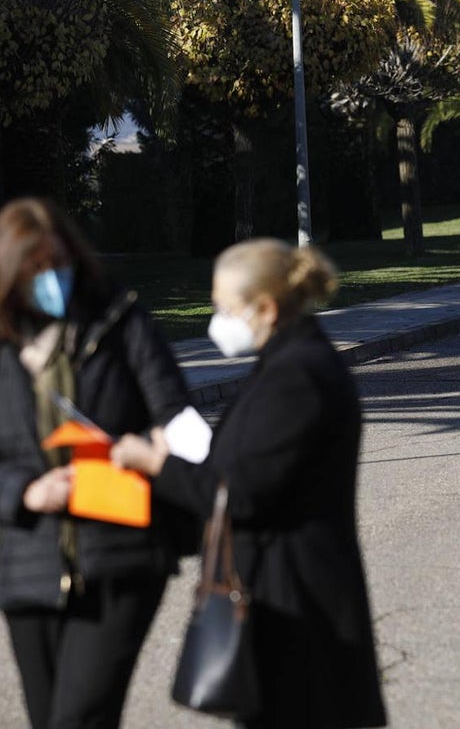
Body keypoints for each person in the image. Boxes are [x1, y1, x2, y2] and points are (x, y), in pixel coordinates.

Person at [0, 198, 193, 729]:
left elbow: (176, 416)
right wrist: (25, 493)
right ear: (5, 275)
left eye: (60, 263)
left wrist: (157, 449)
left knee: (80, 719)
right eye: (37, 269)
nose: (52, 278)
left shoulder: (119, 320)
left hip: (121, 557)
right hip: (25, 565)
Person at [111, 238, 387, 729]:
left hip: (298, 609)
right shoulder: (288, 362)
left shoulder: (298, 376)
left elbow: (240, 492)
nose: (216, 319)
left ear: (265, 307)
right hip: (283, 600)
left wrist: (157, 464)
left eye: (224, 306)